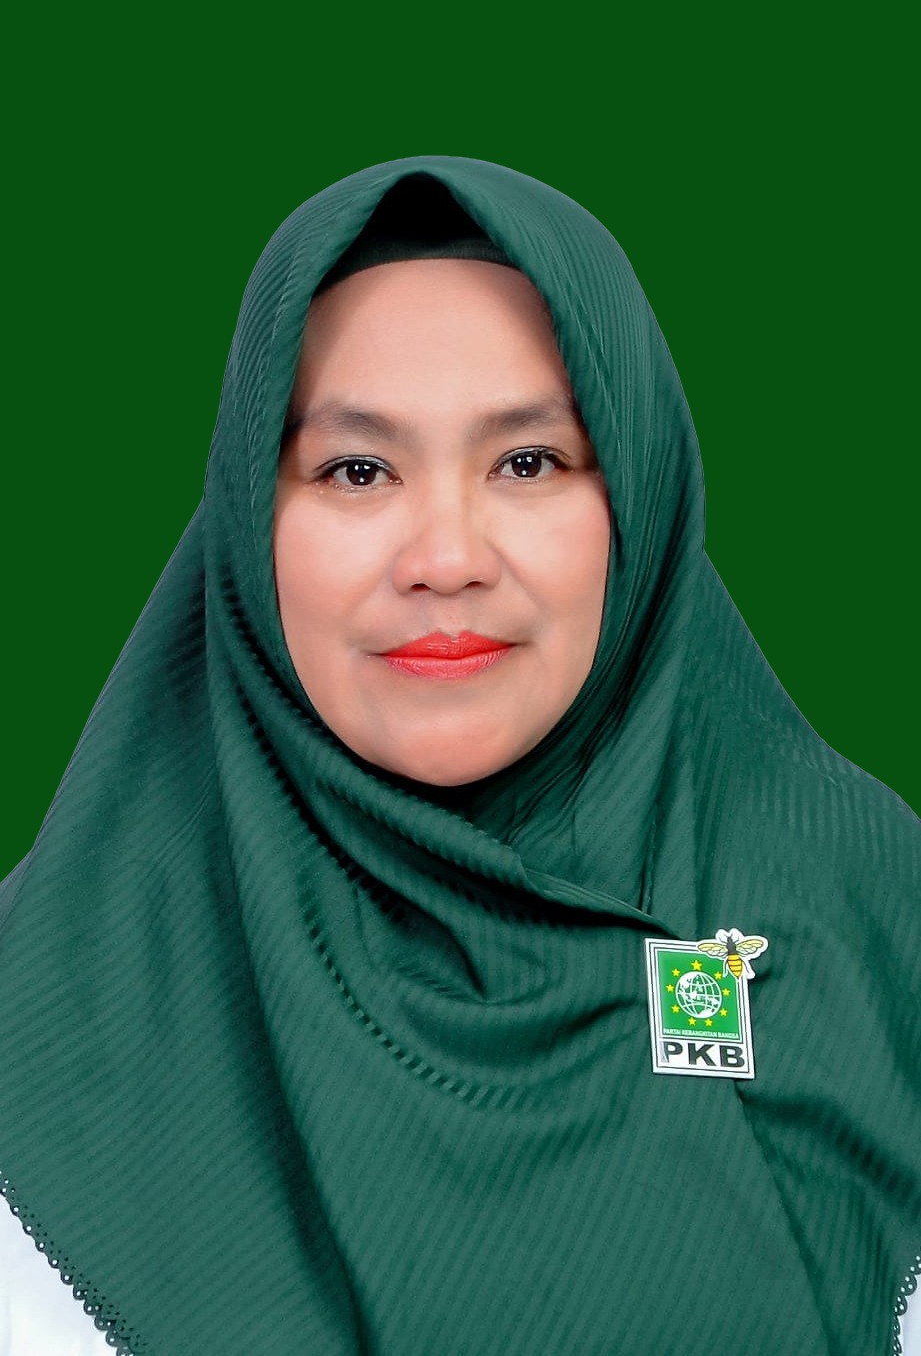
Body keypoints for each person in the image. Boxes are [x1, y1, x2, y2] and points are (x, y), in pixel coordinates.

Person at [0, 158, 918, 1356]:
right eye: (357, 469)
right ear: (247, 516)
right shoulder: (47, 1002)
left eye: (528, 461)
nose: (445, 558)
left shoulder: (876, 922)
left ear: (637, 498)